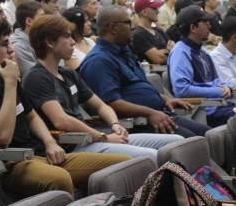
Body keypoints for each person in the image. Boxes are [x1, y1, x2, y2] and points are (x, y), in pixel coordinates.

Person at [0, 17, 130, 196]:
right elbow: (2, 136)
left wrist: (49, 142)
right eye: (4, 44)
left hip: (40, 153)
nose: (11, 50)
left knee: (124, 164)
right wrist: (9, 84)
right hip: (10, 164)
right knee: (59, 178)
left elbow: (31, 116)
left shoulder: (7, 81)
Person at [23, 15, 183, 163]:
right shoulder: (37, 77)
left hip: (92, 139)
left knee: (177, 142)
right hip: (73, 146)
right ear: (50, 43)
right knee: (150, 157)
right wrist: (102, 137)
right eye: (67, 37)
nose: (73, 42)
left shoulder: (68, 73)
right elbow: (61, 121)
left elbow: (101, 106)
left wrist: (114, 124)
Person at [80, 5, 211, 138]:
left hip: (159, 115)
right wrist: (149, 113)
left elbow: (139, 86)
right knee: (192, 140)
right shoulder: (99, 61)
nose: (133, 27)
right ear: (113, 27)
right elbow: (110, 103)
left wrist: (165, 99)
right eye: (128, 22)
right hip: (137, 124)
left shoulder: (125, 51)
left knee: (208, 134)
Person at [167, 5, 236, 127]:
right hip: (206, 111)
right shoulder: (181, 52)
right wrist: (218, 91)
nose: (210, 26)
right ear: (193, 28)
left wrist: (226, 87)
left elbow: (217, 80)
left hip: (223, 105)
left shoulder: (202, 51)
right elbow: (181, 90)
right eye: (205, 23)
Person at [131, 0, 173, 64]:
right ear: (144, 12)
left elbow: (174, 49)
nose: (158, 11)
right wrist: (168, 51)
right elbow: (159, 59)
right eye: (154, 8)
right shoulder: (138, 34)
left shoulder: (158, 30)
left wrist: (163, 52)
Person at [10, 0, 44, 77]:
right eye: (42, 17)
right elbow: (35, 77)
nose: (46, 20)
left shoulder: (41, 38)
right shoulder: (19, 47)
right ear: (29, 21)